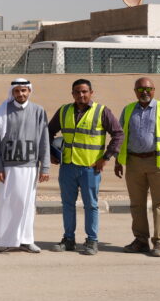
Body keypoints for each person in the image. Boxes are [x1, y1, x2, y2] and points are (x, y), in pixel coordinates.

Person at [46, 79, 123, 255]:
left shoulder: (102, 111)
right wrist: (50, 152)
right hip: (68, 166)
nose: (81, 95)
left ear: (91, 93)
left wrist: (106, 158)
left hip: (90, 168)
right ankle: (69, 239)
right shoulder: (64, 110)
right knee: (67, 204)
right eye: (77, 92)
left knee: (91, 205)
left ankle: (92, 241)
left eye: (84, 92)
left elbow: (118, 134)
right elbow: (48, 131)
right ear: (72, 93)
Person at [114, 77, 160, 257]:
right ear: (135, 91)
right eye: (140, 89)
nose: (144, 92)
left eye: (148, 89)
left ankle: (159, 242)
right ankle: (141, 240)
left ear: (154, 90)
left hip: (157, 162)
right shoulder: (128, 110)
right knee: (137, 204)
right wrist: (118, 160)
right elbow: (120, 135)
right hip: (134, 163)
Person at [0, 78, 50, 254]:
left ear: (29, 91)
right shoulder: (3, 111)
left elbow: (44, 139)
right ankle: (4, 240)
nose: (21, 94)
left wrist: (45, 167)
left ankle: (26, 240)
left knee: (27, 204)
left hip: (30, 166)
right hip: (8, 167)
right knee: (6, 204)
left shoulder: (38, 111)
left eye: (24, 90)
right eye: (17, 91)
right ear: (12, 93)